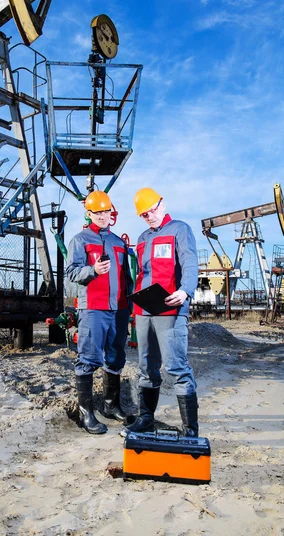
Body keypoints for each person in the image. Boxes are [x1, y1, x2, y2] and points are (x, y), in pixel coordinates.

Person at [124, 187, 199, 437]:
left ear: (162, 204)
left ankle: (190, 429)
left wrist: (186, 290)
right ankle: (146, 418)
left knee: (177, 367)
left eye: (152, 210)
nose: (149, 216)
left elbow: (189, 262)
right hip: (145, 310)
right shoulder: (143, 237)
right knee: (146, 366)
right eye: (144, 214)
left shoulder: (180, 229)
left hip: (171, 308)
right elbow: (141, 273)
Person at [66, 191, 133, 435]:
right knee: (89, 358)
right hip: (93, 308)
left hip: (120, 309)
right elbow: (72, 273)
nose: (103, 216)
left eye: (107, 211)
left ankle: (110, 405)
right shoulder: (80, 240)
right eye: (98, 212)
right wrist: (92, 270)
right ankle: (86, 413)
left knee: (115, 356)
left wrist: (131, 303)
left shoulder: (119, 242)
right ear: (90, 213)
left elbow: (128, 276)